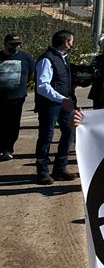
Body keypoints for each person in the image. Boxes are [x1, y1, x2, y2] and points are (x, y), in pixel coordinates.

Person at [34, 30, 77, 184]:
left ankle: (60, 167)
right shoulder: (47, 59)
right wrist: (61, 99)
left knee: (70, 131)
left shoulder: (62, 58)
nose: (72, 44)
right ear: (65, 42)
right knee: (46, 136)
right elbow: (42, 86)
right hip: (50, 104)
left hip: (64, 103)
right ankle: (42, 171)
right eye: (71, 41)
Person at [0, 33, 35, 161]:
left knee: (12, 124)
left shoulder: (26, 57)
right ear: (5, 44)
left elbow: (31, 75)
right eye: (12, 45)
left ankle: (8, 148)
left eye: (18, 45)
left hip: (16, 98)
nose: (15, 47)